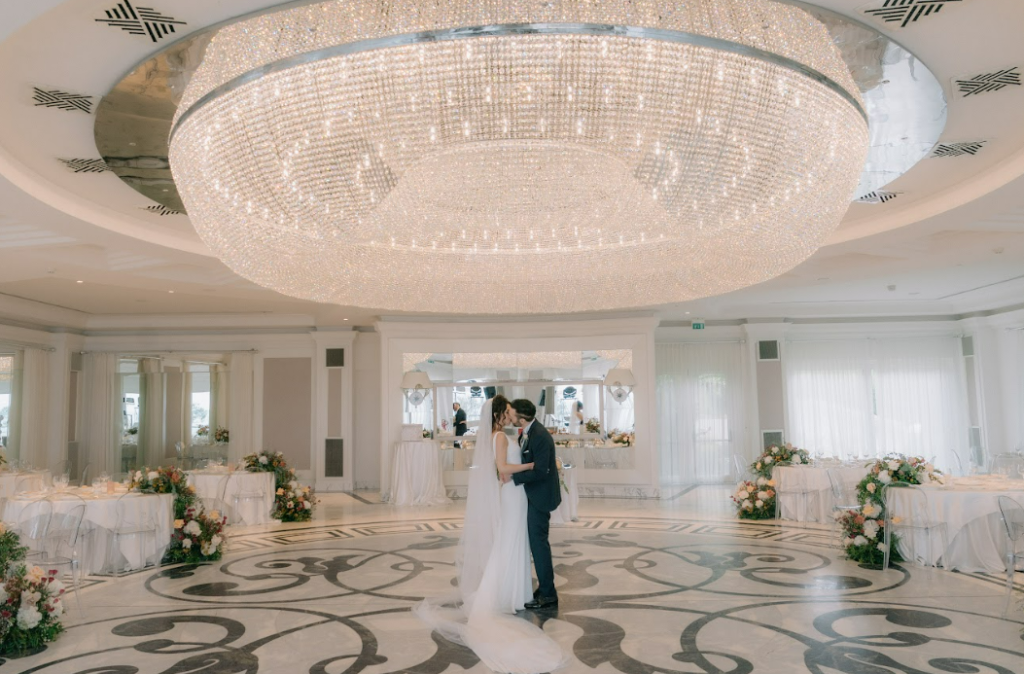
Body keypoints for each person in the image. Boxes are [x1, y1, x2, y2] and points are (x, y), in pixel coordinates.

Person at [416, 396, 565, 673]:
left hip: (520, 494)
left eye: (512, 412)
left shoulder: (516, 434)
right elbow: (504, 468)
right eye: (507, 411)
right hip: (514, 494)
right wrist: (529, 467)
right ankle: (513, 592)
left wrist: (521, 471)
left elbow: (509, 469)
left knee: (520, 542)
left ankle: (525, 592)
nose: (510, 415)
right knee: (512, 541)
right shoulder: (500, 437)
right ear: (499, 414)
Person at [507, 398, 561, 609]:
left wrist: (513, 478)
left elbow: (540, 471)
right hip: (533, 495)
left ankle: (548, 593)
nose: (510, 417)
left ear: (521, 419)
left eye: (512, 414)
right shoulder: (530, 432)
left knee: (539, 546)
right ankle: (544, 587)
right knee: (536, 544)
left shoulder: (539, 436)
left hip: (540, 497)